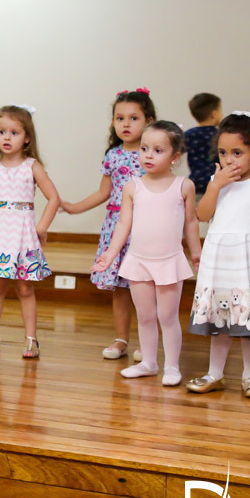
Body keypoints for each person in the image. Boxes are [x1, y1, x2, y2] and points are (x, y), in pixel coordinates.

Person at [186, 112, 250, 399]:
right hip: (220, 259)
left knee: (248, 320)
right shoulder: (216, 181)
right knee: (220, 321)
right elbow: (202, 214)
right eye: (223, 152)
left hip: (248, 260)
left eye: (237, 152)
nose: (229, 159)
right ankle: (215, 374)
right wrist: (215, 185)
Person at [94, 121, 201, 386]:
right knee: (145, 316)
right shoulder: (132, 187)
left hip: (168, 261)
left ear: (175, 156)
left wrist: (196, 254)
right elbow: (123, 224)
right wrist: (110, 254)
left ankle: (172, 366)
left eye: (158, 150)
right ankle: (149, 363)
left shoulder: (184, 186)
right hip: (138, 261)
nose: (148, 155)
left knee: (168, 317)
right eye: (144, 149)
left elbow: (190, 223)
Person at [61, 88, 155, 362]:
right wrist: (74, 207)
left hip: (144, 228)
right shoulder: (113, 155)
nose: (126, 124)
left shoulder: (152, 156)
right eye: (120, 118)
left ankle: (147, 342)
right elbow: (104, 192)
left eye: (134, 118)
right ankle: (121, 339)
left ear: (148, 121)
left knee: (145, 287)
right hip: (115, 229)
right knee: (120, 287)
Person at [0, 105, 60, 359]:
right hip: (0, 236)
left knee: (25, 289)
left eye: (14, 133)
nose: (7, 137)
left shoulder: (32, 167)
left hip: (23, 236)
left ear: (27, 137)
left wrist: (41, 227)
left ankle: (31, 339)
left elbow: (53, 198)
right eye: (2, 132)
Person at [184, 92, 221, 197]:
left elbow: (174, 150)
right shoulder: (220, 135)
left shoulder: (189, 134)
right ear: (214, 114)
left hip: (196, 184)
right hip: (218, 183)